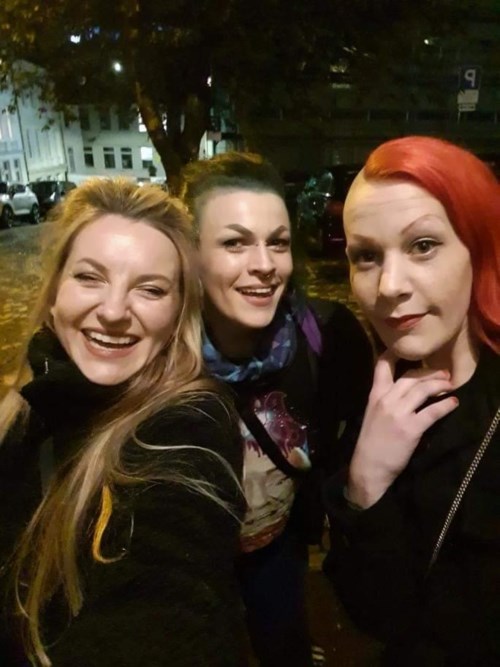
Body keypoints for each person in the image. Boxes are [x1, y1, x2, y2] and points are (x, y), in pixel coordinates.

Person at [0, 178, 246, 667]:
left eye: (150, 289)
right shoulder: (24, 407)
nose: (113, 311)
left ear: (178, 314)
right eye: (89, 278)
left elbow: (169, 594)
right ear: (54, 292)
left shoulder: (190, 426)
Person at [180, 152, 373, 667]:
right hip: (190, 562)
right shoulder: (157, 355)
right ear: (190, 254)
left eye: (278, 242)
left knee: (283, 643)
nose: (264, 264)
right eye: (235, 242)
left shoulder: (326, 337)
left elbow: (351, 434)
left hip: (276, 548)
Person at [323, 136, 500, 666]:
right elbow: (375, 615)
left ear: (480, 249)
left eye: (423, 245)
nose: (389, 286)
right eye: (366, 256)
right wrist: (365, 483)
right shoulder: (373, 399)